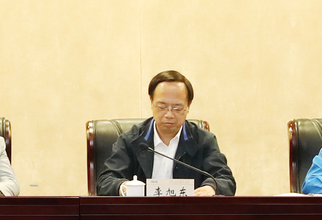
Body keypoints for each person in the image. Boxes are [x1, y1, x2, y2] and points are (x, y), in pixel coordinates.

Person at [96, 70, 235, 196]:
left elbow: (225, 180)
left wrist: (212, 187)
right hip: (141, 214)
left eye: (177, 108)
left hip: (187, 214)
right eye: (162, 107)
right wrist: (124, 187)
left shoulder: (203, 141)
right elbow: (105, 181)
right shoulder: (131, 140)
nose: (169, 114)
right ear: (151, 102)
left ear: (188, 106)